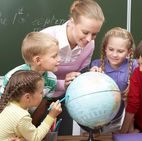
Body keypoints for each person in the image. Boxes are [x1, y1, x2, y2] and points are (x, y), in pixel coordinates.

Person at [41, 0, 105, 135]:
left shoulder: (89, 45)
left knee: (64, 136)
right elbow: (32, 76)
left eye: (94, 34)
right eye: (85, 32)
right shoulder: (46, 37)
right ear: (72, 22)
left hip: (65, 100)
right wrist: (61, 84)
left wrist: (90, 75)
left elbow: (81, 72)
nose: (89, 39)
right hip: (38, 101)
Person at [0, 32, 62, 126]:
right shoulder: (13, 76)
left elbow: (41, 107)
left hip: (23, 124)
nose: (59, 59)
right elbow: (3, 106)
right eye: (54, 56)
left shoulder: (52, 80)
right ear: (38, 60)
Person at [0, 70, 62, 141]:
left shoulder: (8, 105)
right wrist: (51, 115)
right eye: (41, 92)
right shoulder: (21, 116)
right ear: (27, 97)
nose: (43, 94)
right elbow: (36, 137)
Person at [90, 27, 139, 133]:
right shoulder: (96, 65)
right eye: (111, 49)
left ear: (129, 52)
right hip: (95, 119)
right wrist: (92, 76)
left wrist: (128, 129)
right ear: (105, 48)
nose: (114, 54)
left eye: (120, 51)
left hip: (117, 119)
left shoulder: (135, 66)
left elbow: (132, 102)